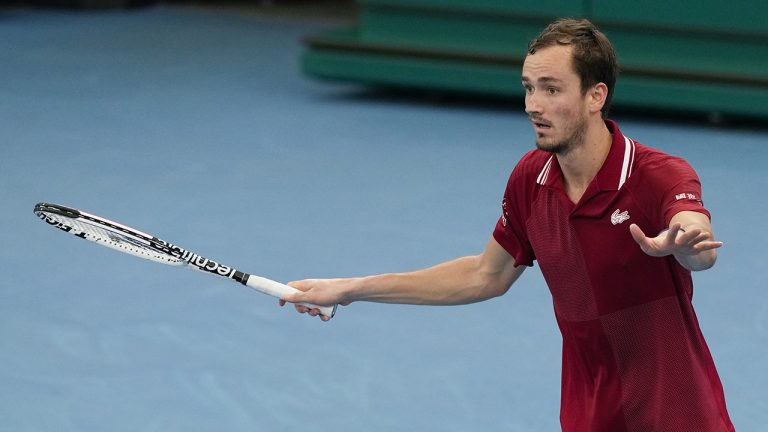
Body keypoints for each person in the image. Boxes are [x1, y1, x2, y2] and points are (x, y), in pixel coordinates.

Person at [280, 18, 735, 432]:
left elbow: (699, 244)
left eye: (551, 90)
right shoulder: (529, 180)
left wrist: (682, 244)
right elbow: (486, 274)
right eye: (528, 87)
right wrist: (350, 288)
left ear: (596, 96)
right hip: (588, 417)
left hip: (676, 417)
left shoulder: (658, 174)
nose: (533, 105)